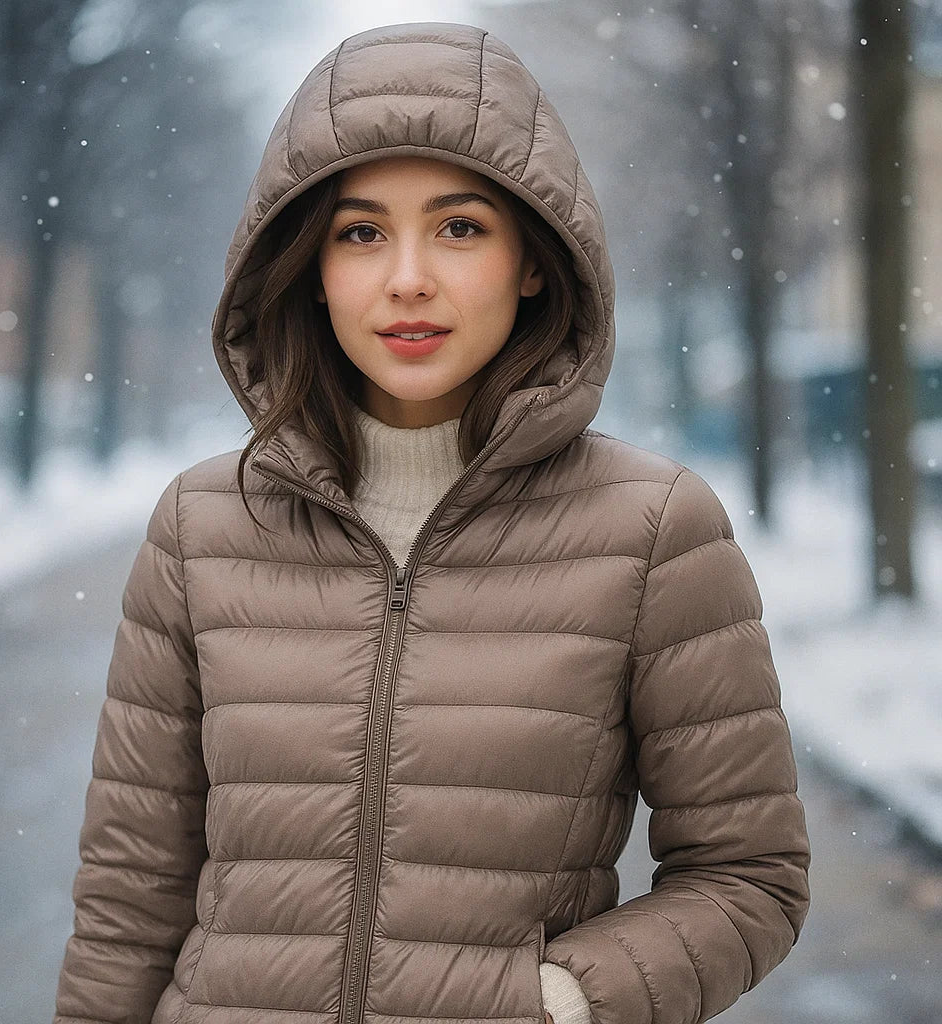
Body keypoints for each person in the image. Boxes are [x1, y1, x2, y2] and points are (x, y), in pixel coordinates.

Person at [53, 21, 810, 1024]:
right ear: (311, 268)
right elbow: (129, 900)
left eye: (459, 227)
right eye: (360, 232)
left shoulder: (653, 530)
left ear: (533, 261)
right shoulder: (201, 525)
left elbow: (749, 873)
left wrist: (561, 998)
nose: (407, 277)